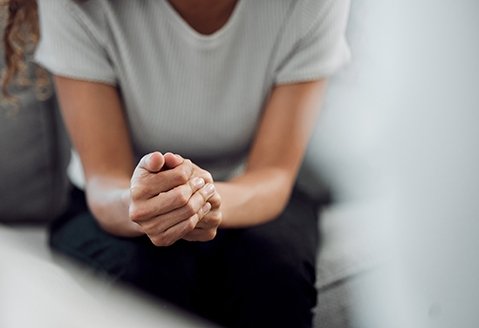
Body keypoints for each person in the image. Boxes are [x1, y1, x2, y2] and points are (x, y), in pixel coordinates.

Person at [2, 0, 350, 327]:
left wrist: (202, 199)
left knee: (275, 279)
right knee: (145, 283)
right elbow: (105, 178)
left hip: (249, 191)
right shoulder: (77, 4)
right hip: (117, 200)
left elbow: (273, 173)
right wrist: (143, 202)